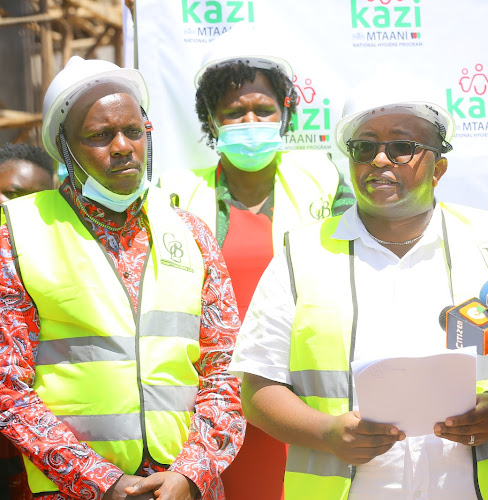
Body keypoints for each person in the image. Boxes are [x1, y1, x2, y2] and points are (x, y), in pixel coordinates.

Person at [229, 77, 488, 500]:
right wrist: (327, 432)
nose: (380, 160)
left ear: (439, 167)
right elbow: (257, 390)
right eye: (364, 148)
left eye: (401, 147)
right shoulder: (302, 253)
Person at [0, 56, 245, 500]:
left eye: (133, 132)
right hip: (71, 491)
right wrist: (103, 483)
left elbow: (226, 372)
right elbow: (7, 388)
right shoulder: (14, 234)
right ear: (65, 147)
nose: (122, 146)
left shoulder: (191, 233)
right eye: (99, 135)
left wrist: (190, 473)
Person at [157, 27, 354, 500]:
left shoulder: (325, 180)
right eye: (234, 112)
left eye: (263, 110)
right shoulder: (172, 191)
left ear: (285, 112)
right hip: (209, 410)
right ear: (210, 119)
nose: (250, 120)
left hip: (302, 402)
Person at [0, 142, 57, 500]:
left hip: (27, 447)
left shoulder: (51, 266)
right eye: (11, 194)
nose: (20, 209)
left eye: (37, 199)